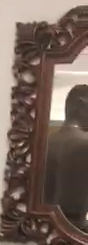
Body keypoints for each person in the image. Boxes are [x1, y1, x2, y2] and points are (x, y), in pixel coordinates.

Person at [45, 84, 88, 230]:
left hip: (41, 227)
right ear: (82, 105)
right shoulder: (85, 143)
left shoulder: (44, 142)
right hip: (75, 231)